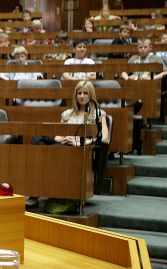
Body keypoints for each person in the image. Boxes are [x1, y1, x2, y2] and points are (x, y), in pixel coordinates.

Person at [27, 80, 110, 209]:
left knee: (52, 151)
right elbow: (57, 136)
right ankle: (34, 193)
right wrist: (65, 138)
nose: (82, 96)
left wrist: (79, 142)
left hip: (79, 149)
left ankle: (39, 190)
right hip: (64, 144)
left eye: (85, 93)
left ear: (91, 95)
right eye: (79, 93)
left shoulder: (98, 114)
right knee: (37, 139)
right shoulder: (68, 114)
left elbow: (104, 138)